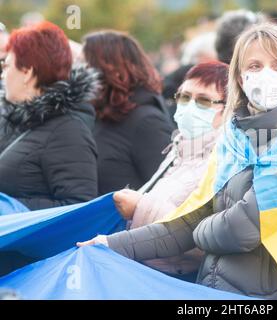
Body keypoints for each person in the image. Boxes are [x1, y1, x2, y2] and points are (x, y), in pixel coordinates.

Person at [79, 23, 277, 300]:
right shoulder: (234, 139)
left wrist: (202, 228)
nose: (267, 75)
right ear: (240, 78)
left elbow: (242, 230)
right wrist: (109, 244)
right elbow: (185, 221)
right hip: (213, 292)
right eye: (254, 66)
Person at [111, 61, 228, 282]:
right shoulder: (181, 149)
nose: (189, 106)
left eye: (203, 100)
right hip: (145, 271)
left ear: (228, 109)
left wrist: (140, 206)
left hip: (173, 282)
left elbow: (200, 239)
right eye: (184, 97)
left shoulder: (225, 161)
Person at [0, 21, 99, 210]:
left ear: (27, 72)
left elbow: (78, 207)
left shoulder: (69, 131)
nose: (3, 75)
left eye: (7, 66)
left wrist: (10, 208)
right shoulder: (15, 118)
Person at [82, 31, 174, 195]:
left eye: (85, 65)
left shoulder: (147, 122)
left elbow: (166, 196)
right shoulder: (102, 116)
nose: (79, 73)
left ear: (107, 70)